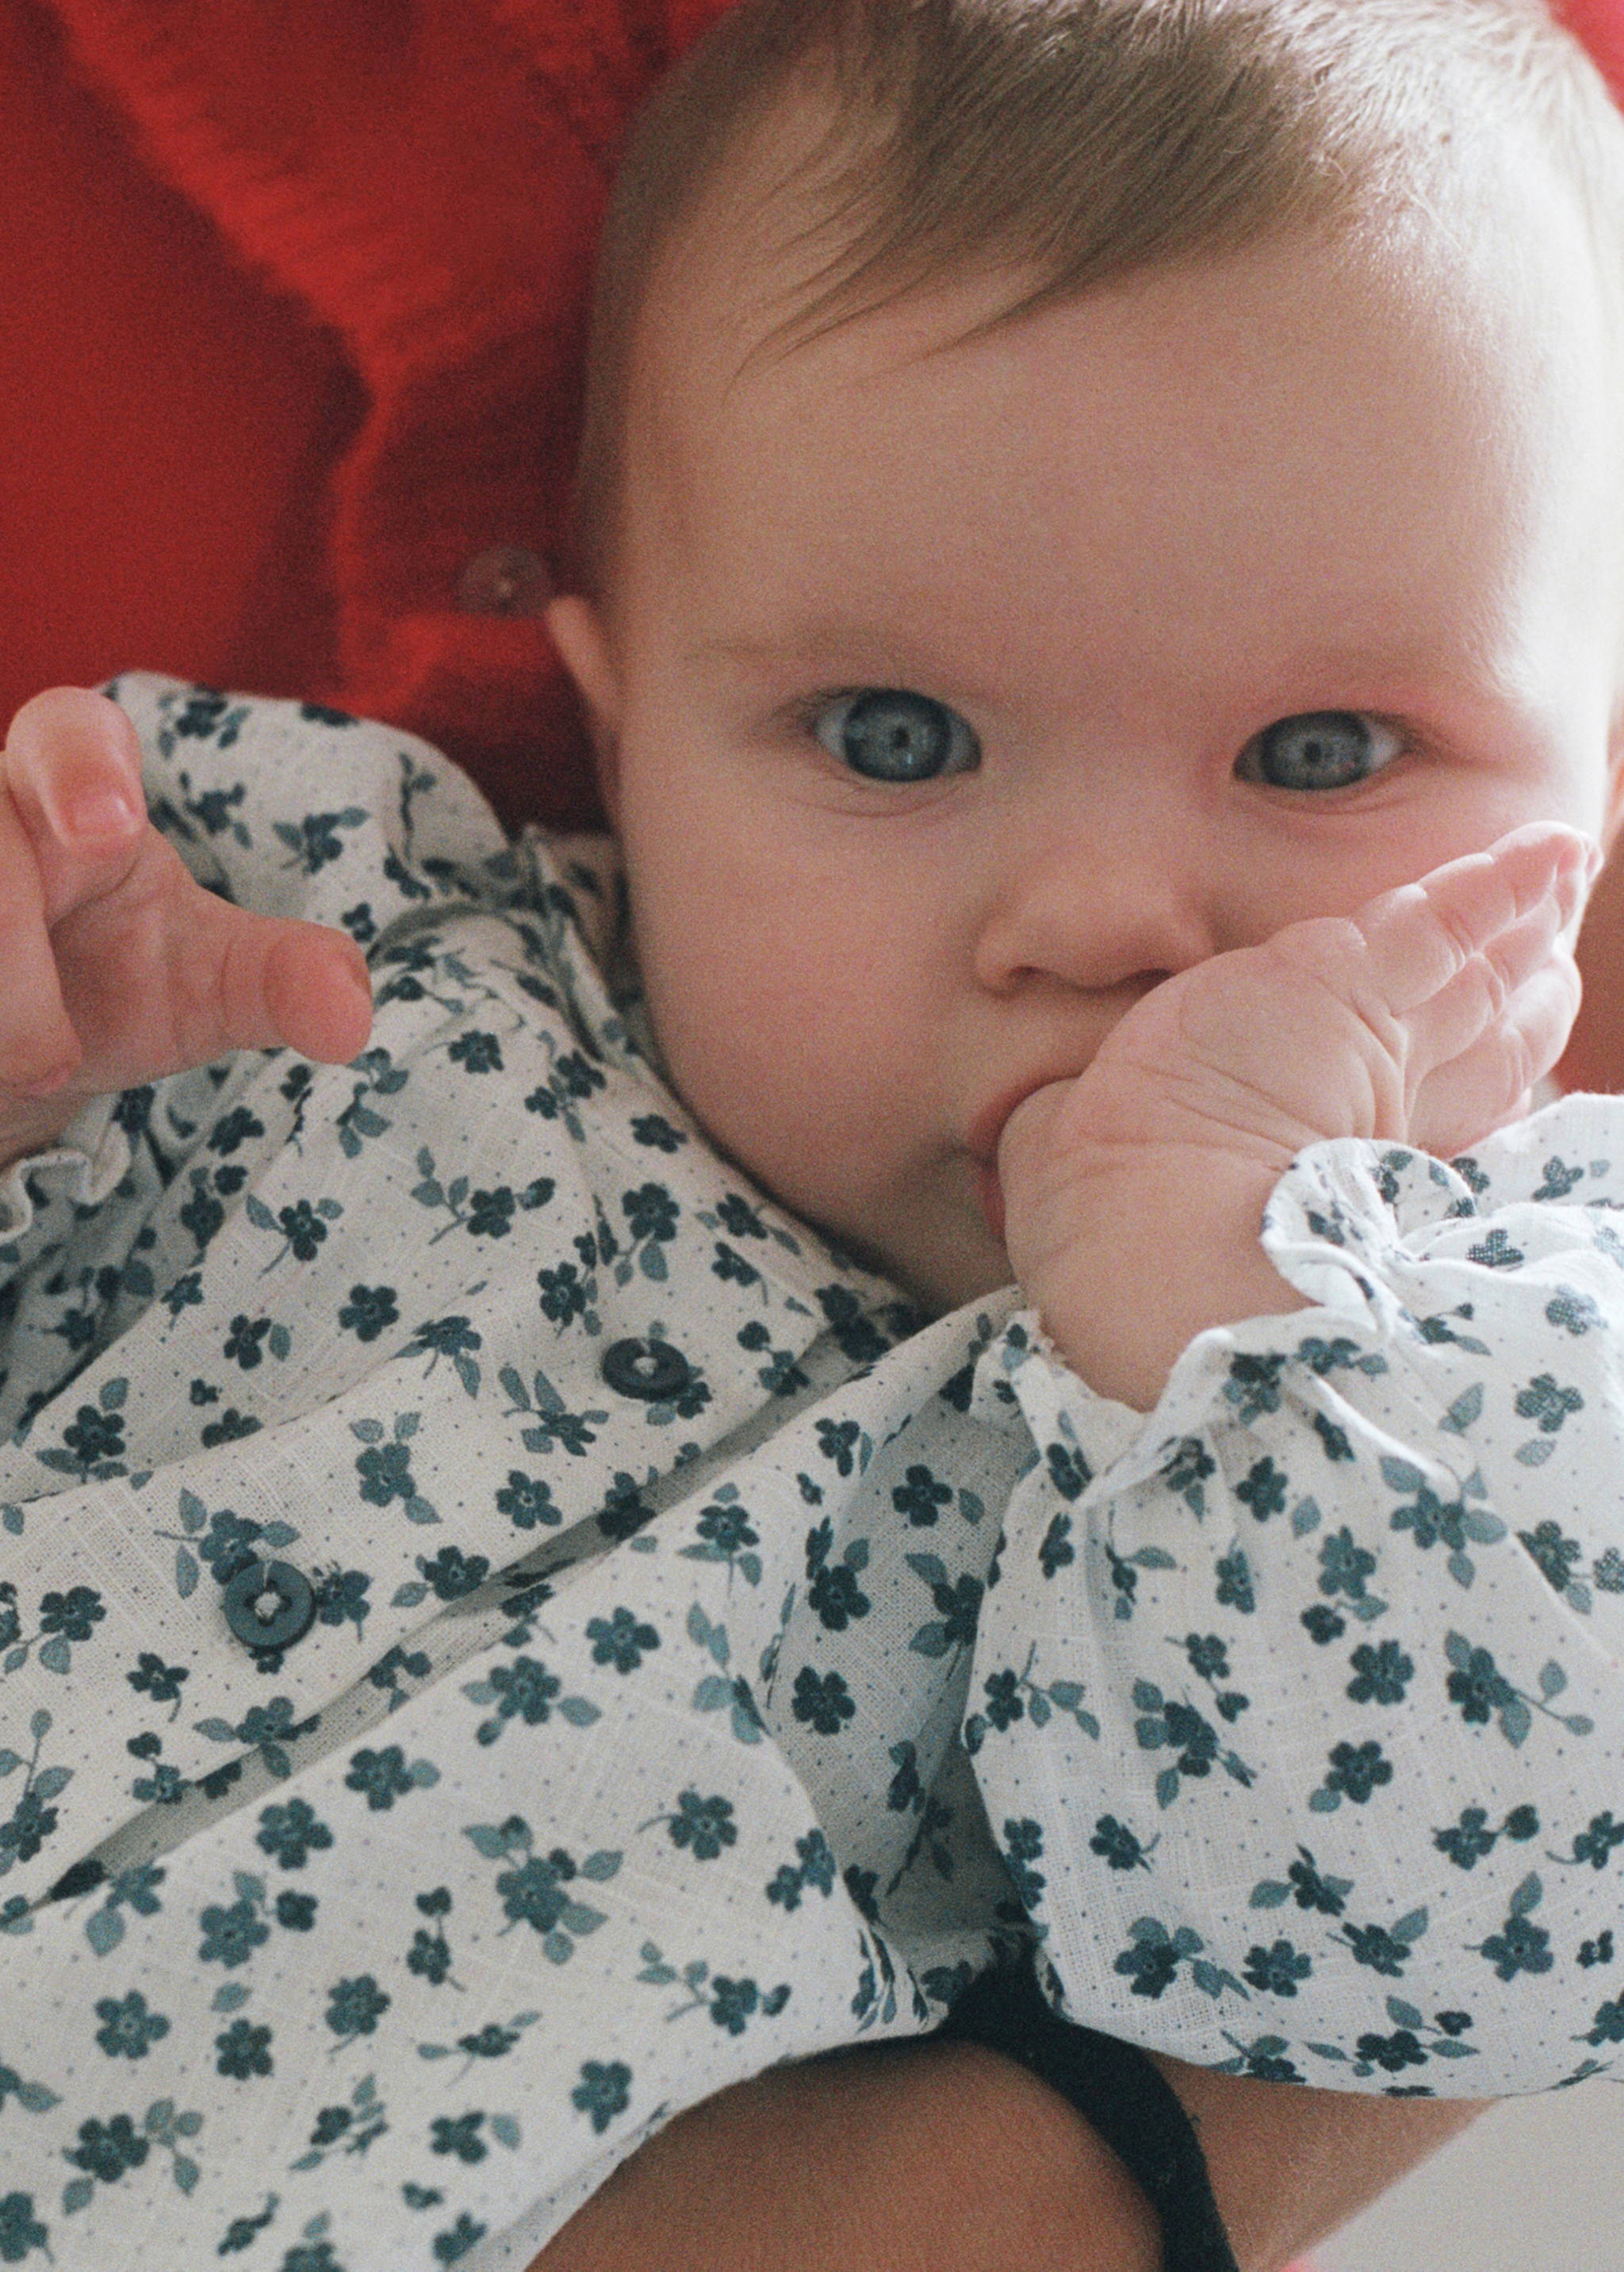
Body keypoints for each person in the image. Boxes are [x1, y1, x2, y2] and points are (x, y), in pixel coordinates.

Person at [4, 5, 1624, 2270]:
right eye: (890, 733)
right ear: (618, 727)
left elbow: (1427, 1941)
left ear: (1598, 788)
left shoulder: (1505, 1346)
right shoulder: (337, 966)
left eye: (1329, 747)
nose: (1097, 923)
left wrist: (1202, 1305)